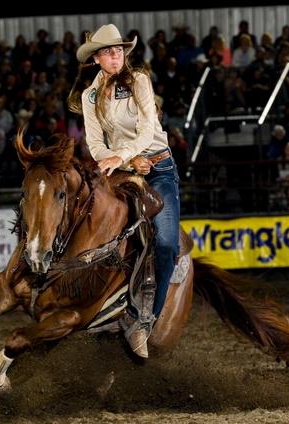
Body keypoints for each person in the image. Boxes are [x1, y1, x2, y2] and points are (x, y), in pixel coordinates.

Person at [68, 24, 180, 358]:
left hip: (159, 169)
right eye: (108, 51)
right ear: (97, 58)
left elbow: (148, 129)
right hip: (121, 173)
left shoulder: (139, 81)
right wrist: (126, 163)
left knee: (166, 243)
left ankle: (144, 319)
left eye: (118, 51)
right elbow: (95, 144)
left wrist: (127, 156)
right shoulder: (90, 96)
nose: (115, 56)